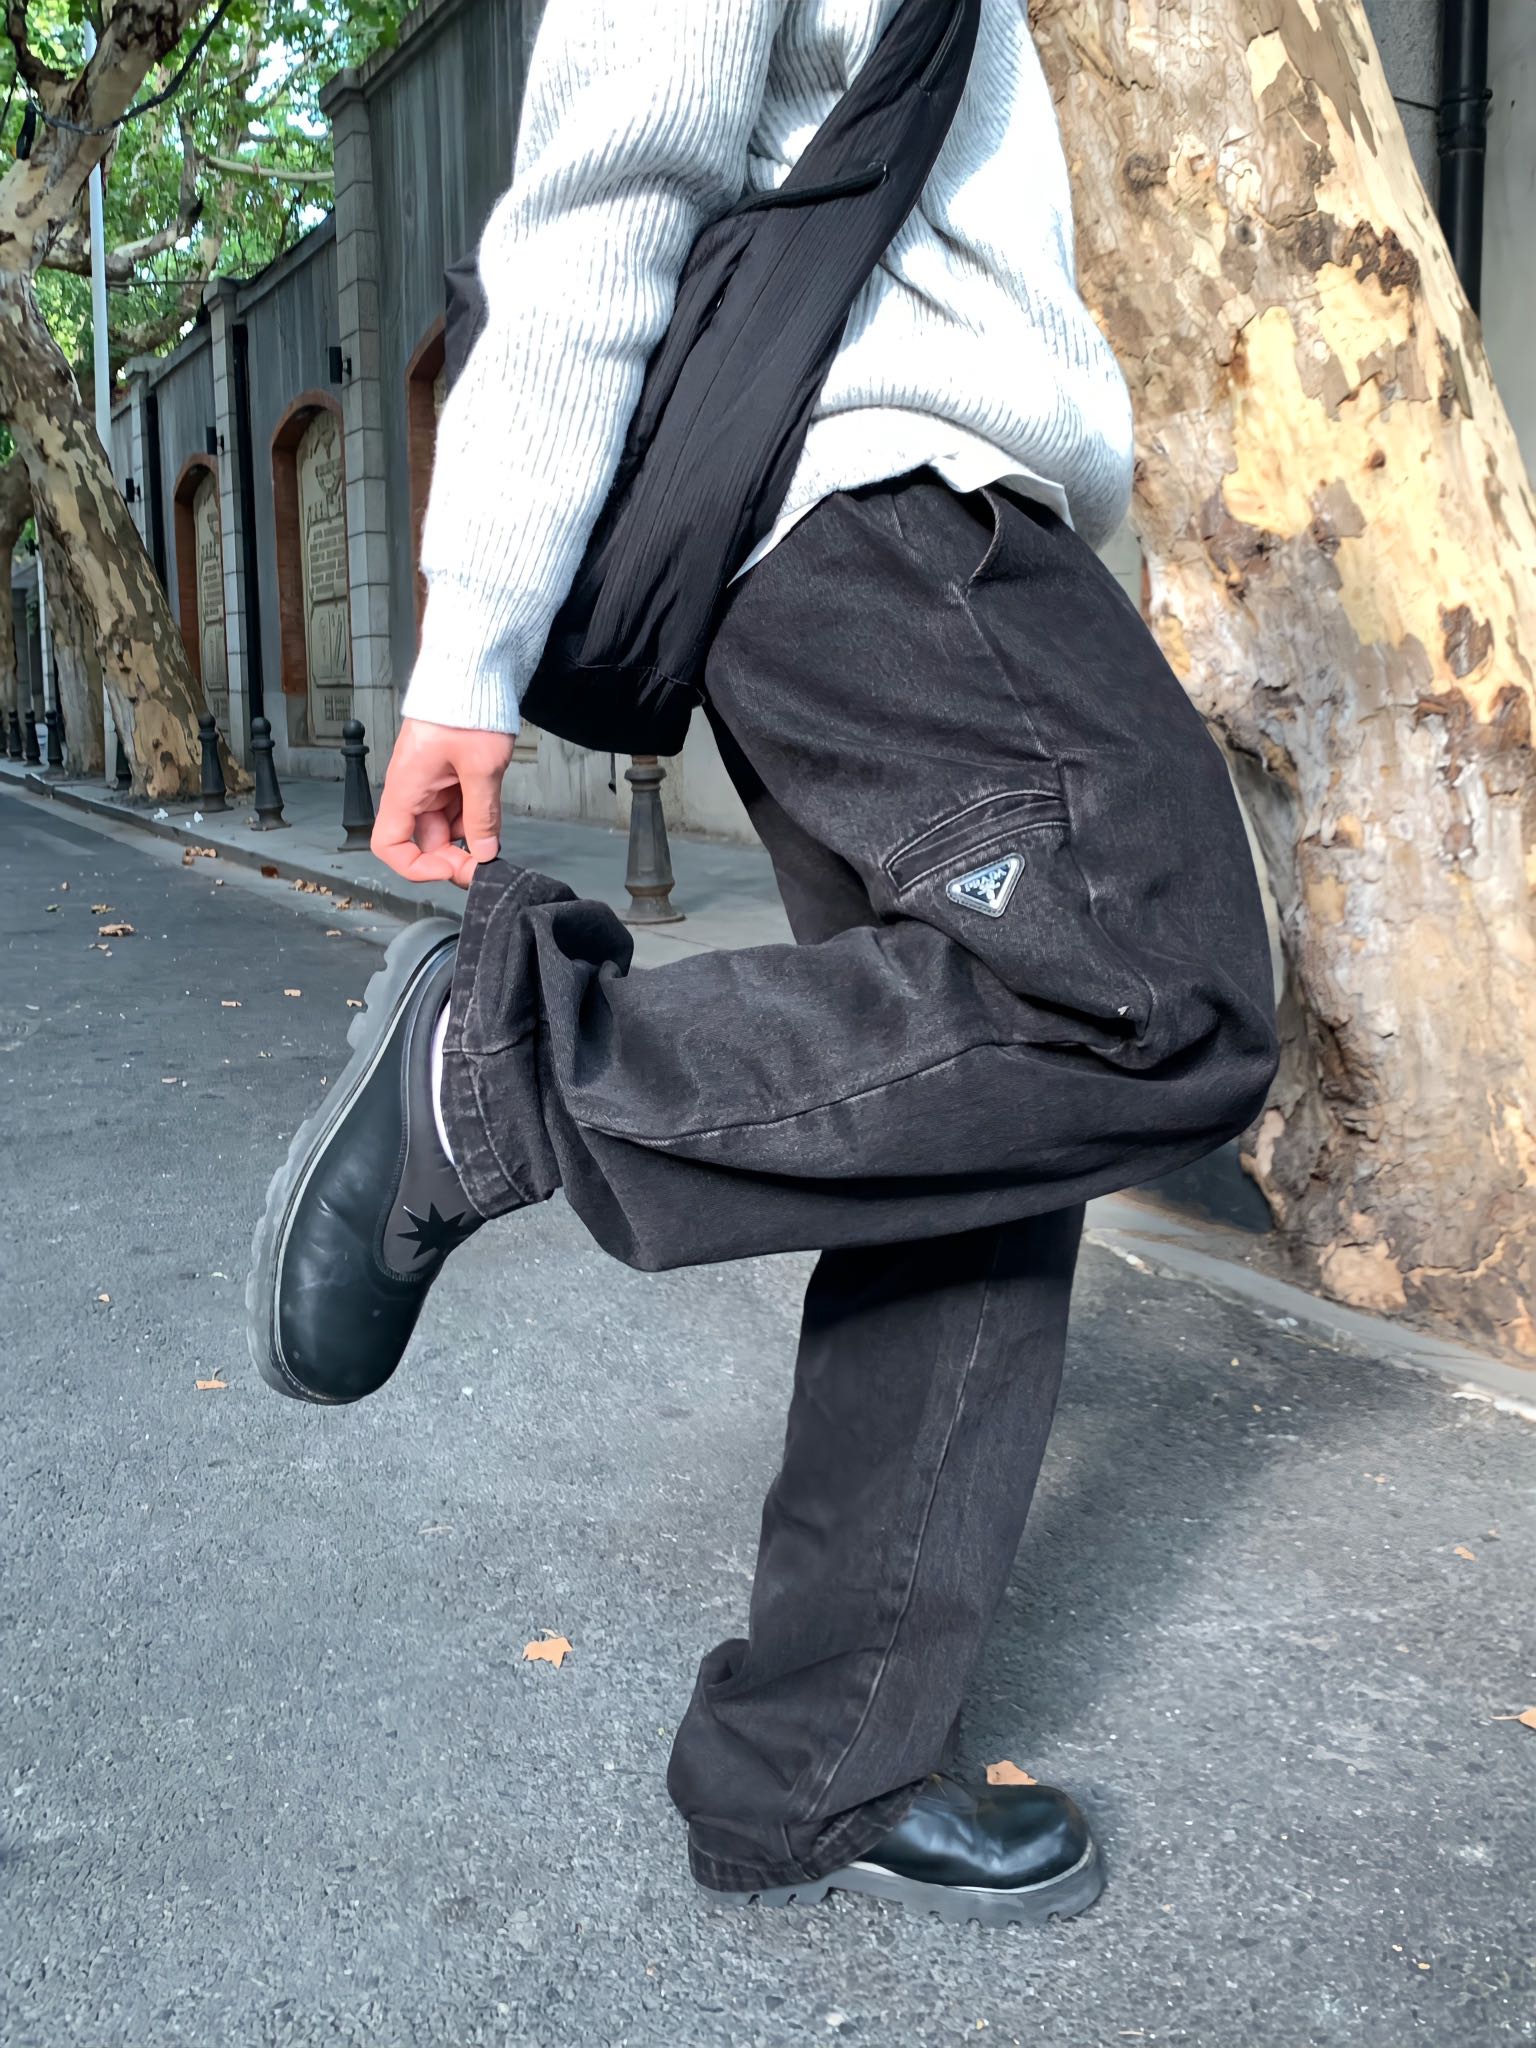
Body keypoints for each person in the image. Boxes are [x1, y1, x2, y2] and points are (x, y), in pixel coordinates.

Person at [248, 0, 1278, 1928]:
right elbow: (601, 198)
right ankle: (504, 1082)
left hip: (892, 544)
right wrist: (467, 656)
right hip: (896, 530)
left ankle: (822, 1765)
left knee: (962, 1154)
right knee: (1158, 997)